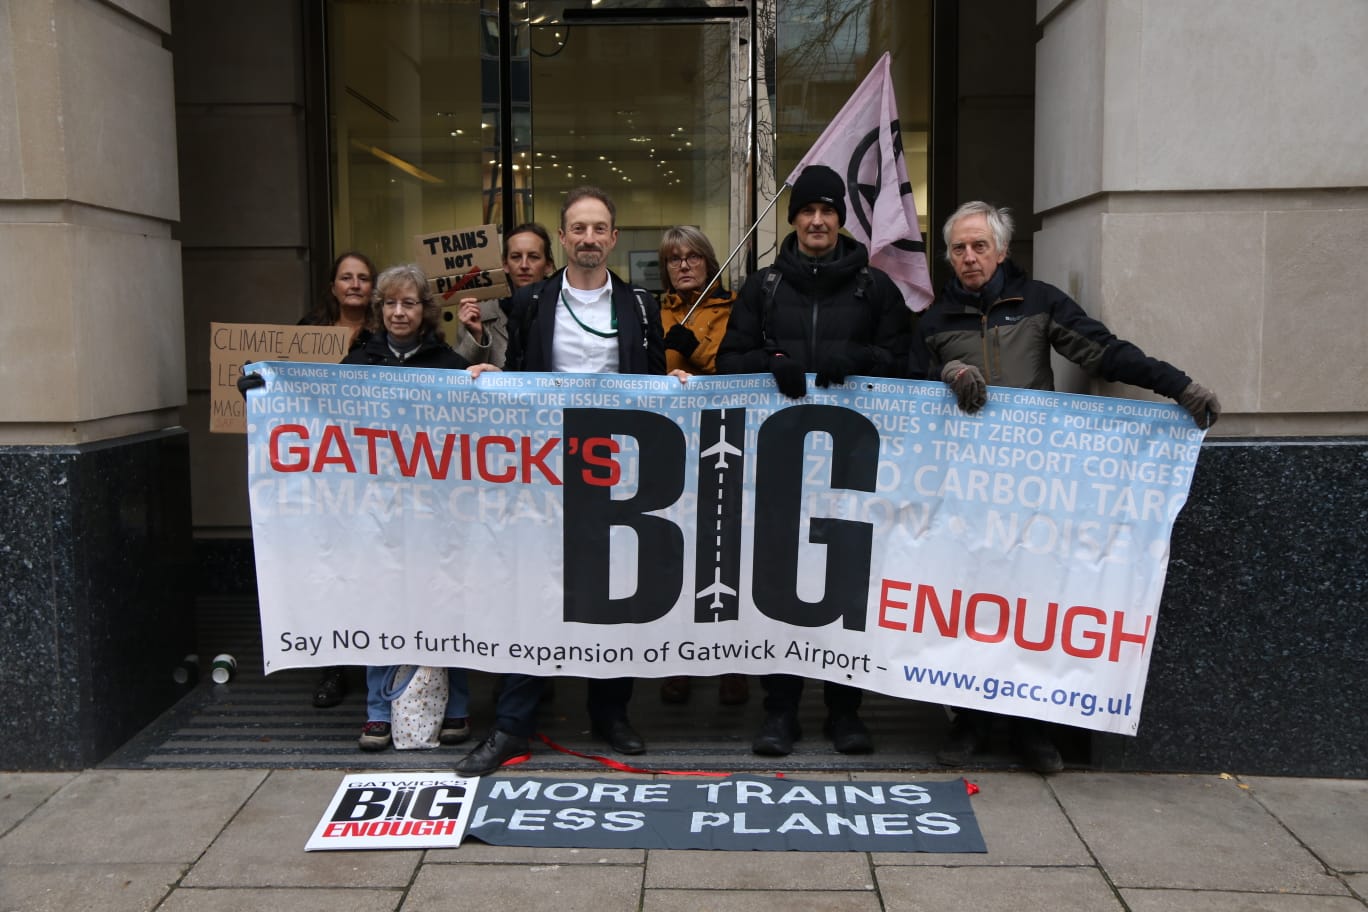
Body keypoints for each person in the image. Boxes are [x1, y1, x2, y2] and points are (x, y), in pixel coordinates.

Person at [910, 200, 1222, 773]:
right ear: (948, 256)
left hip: (1034, 485)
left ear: (1002, 251)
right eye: (959, 248)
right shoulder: (933, 321)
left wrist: (1177, 385)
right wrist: (946, 375)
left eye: (980, 246)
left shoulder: (1039, 302)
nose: (970, 257)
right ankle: (972, 723)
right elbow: (905, 380)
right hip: (964, 490)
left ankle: (1034, 730)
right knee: (967, 601)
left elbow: (1104, 353)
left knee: (1031, 599)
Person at [456, 186, 668, 776]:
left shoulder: (642, 307)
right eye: (578, 228)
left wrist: (674, 386)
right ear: (564, 236)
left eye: (600, 228)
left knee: (616, 595)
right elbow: (519, 378)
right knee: (535, 592)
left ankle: (611, 714)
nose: (590, 239)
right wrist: (487, 375)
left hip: (619, 474)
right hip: (547, 475)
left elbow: (651, 386)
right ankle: (513, 725)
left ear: (614, 238)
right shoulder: (532, 303)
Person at [716, 164, 912, 756]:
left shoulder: (874, 289)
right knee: (779, 585)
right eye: (807, 211)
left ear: (840, 219)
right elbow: (728, 361)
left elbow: (910, 364)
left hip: (853, 472)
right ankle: (780, 711)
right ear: (795, 218)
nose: (818, 220)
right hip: (779, 468)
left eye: (828, 210)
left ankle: (845, 710)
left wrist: (861, 357)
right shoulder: (765, 287)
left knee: (845, 589)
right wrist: (769, 359)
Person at [343, 263, 499, 752]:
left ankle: (455, 708)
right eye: (389, 303)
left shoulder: (449, 364)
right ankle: (377, 712)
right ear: (379, 309)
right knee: (383, 605)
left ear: (425, 311)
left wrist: (491, 376)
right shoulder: (360, 361)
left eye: (408, 303)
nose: (397, 312)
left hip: (438, 511)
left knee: (445, 601)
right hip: (380, 508)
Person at [654, 225, 748, 707]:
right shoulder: (653, 309)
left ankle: (731, 662)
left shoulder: (736, 308)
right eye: (674, 259)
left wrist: (694, 350)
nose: (684, 265)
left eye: (693, 256)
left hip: (726, 442)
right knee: (677, 556)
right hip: (672, 448)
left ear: (710, 261)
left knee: (727, 554)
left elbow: (736, 365)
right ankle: (680, 659)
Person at [300, 251, 376, 709]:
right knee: (330, 564)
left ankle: (376, 663)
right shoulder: (308, 332)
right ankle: (332, 668)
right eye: (345, 278)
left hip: (372, 465)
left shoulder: (387, 332)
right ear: (333, 286)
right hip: (325, 466)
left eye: (363, 278)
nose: (354, 285)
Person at [451, 222, 556, 369]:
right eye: (516, 257)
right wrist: (476, 335)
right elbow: (461, 372)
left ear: (548, 266)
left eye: (533, 257)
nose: (524, 265)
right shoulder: (481, 312)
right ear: (505, 264)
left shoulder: (561, 307)